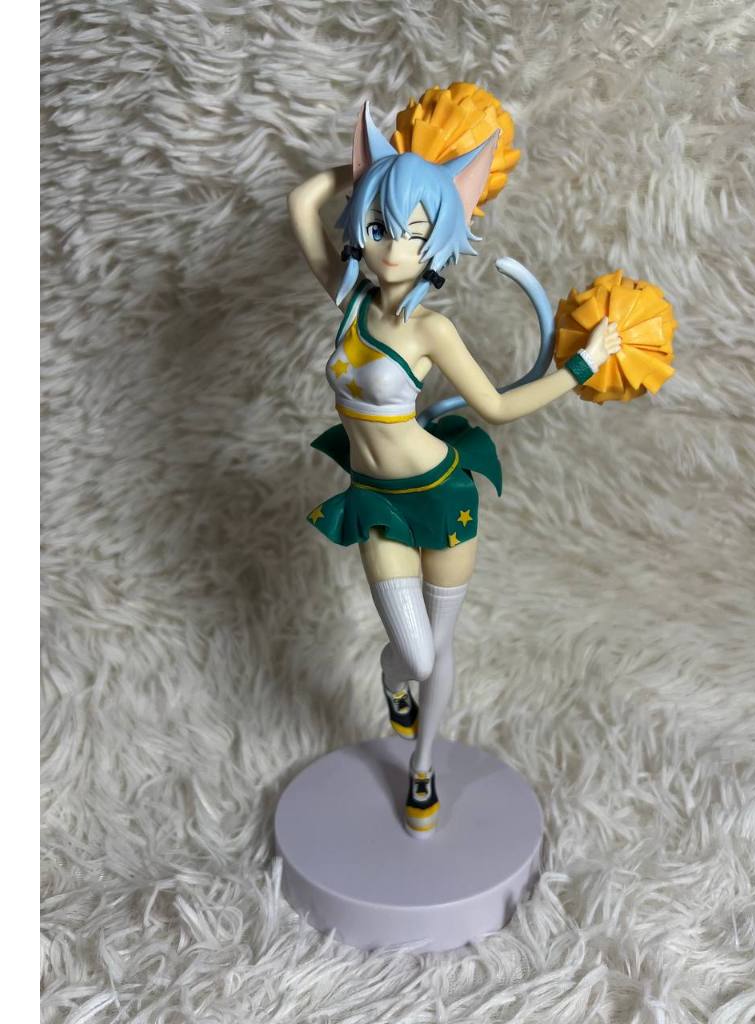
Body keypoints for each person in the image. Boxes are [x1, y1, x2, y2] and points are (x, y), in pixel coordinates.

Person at [287, 102, 620, 837]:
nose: (393, 248)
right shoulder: (348, 300)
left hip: (441, 495)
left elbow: (495, 407)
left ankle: (423, 764)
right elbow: (303, 201)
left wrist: (581, 367)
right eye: (382, 226)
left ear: (438, 240)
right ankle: (391, 682)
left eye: (415, 231)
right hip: (375, 498)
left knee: (437, 649)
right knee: (409, 651)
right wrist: (379, 174)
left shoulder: (432, 329)